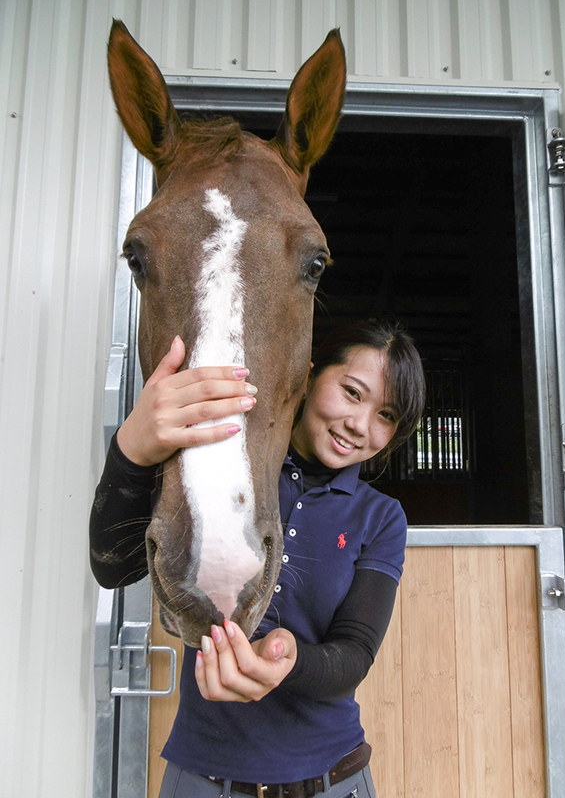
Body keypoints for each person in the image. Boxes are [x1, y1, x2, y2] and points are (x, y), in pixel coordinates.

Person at [90, 316, 426, 798]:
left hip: (335, 779)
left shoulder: (381, 518)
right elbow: (113, 565)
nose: (360, 424)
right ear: (309, 375)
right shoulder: (223, 464)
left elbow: (354, 653)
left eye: (386, 416)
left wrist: (289, 662)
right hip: (204, 779)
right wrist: (132, 447)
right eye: (352, 392)